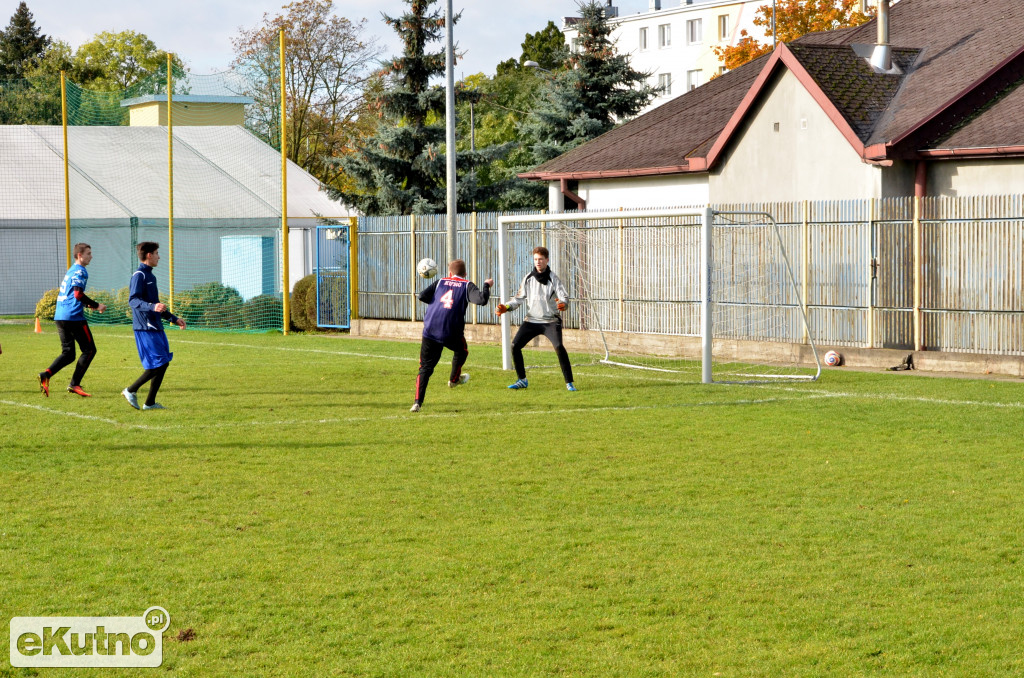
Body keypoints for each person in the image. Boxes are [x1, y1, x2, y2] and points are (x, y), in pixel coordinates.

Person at [411, 259, 492, 412]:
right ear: (465, 273)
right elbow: (482, 300)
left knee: (425, 368)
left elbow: (422, 296)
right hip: (451, 331)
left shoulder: (441, 281)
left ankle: (417, 403)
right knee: (462, 351)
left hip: (430, 330)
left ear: (450, 273)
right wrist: (487, 285)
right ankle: (454, 380)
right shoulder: (467, 284)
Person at [495, 246, 577, 391]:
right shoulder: (528, 278)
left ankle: (569, 383)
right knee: (515, 345)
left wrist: (563, 304)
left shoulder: (553, 278)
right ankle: (522, 380)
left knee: (558, 347)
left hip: (550, 321)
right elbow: (518, 299)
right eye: (535, 259)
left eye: (540, 259)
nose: (537, 262)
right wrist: (506, 307)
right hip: (531, 321)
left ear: (547, 260)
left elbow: (564, 297)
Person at [122, 242, 185, 410]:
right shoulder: (139, 275)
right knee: (159, 363)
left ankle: (150, 403)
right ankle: (130, 390)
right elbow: (133, 300)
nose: (159, 256)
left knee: (163, 362)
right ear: (149, 255)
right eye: (157, 253)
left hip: (155, 325)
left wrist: (173, 318)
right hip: (145, 327)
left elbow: (156, 304)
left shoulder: (151, 276)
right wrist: (151, 307)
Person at [38, 243, 107, 397]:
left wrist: (89, 305)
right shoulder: (81, 271)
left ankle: (46, 374)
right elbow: (77, 295)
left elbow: (73, 295)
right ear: (79, 255)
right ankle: (74, 384)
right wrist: (97, 305)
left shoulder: (71, 270)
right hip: (73, 317)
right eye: (88, 253)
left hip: (60, 315)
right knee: (89, 350)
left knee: (68, 353)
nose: (91, 256)